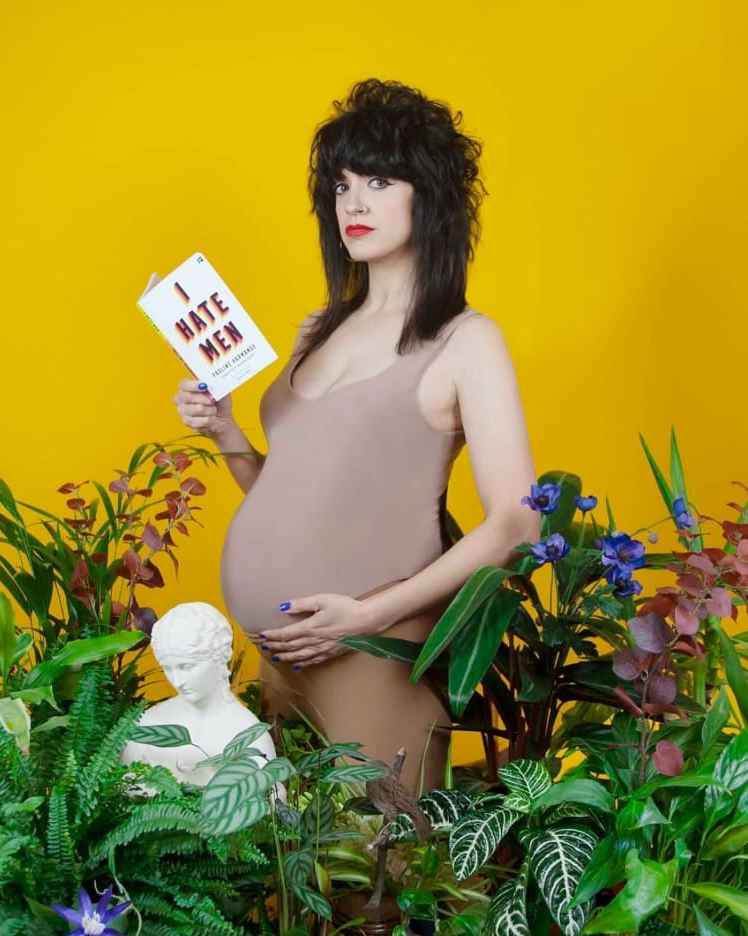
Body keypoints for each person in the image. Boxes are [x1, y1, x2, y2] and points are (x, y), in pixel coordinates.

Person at [173, 79, 539, 789]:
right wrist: (225, 432)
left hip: (375, 650)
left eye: (378, 179)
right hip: (279, 652)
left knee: (386, 876)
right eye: (341, 186)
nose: (355, 204)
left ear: (427, 195)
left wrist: (363, 616)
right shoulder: (320, 328)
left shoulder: (467, 341)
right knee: (290, 882)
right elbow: (293, 488)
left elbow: (517, 521)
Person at [122, 602, 276, 785]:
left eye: (186, 667)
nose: (177, 681)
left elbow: (267, 801)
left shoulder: (247, 735)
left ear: (220, 655)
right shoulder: (147, 724)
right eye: (167, 668)